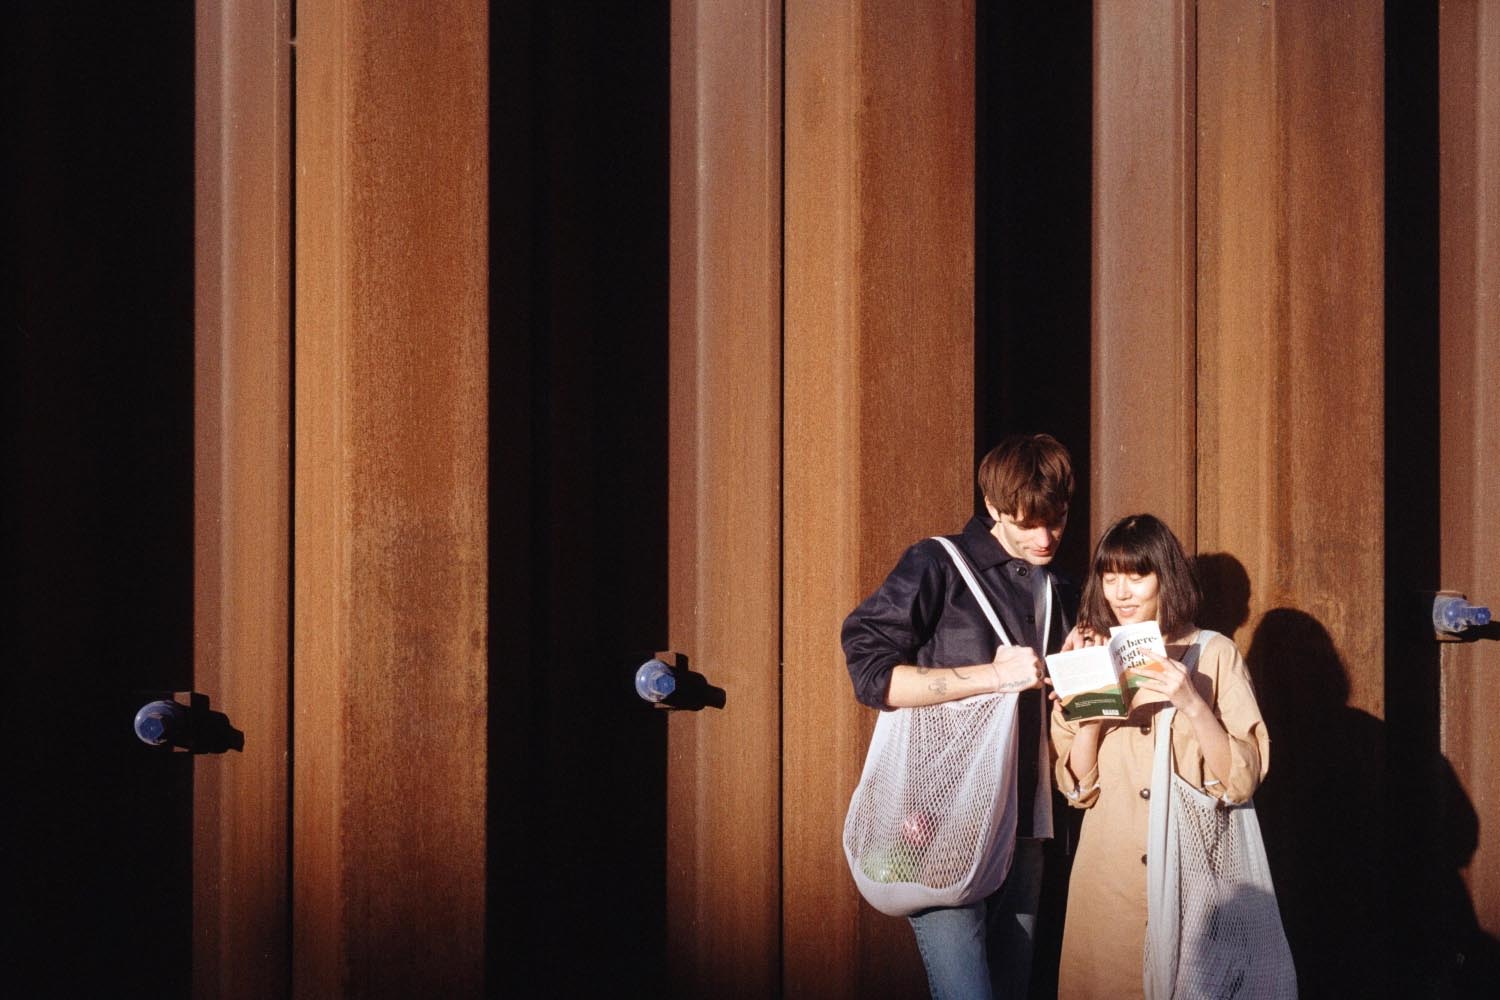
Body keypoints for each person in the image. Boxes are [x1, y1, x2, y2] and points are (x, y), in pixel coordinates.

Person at [842, 433, 1078, 999]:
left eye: (1057, 520)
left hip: (1027, 824)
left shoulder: (1062, 589)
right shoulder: (939, 563)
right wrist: (993, 676)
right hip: (940, 818)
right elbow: (871, 674)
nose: (1045, 537)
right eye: (1027, 523)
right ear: (994, 509)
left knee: (1014, 988)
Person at [1050, 513, 1271, 998]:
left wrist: (1192, 703)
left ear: (1164, 578)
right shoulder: (1087, 653)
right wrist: (1090, 719)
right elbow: (1077, 790)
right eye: (1110, 578)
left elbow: (1242, 779)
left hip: (1192, 882)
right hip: (1107, 885)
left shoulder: (1215, 654)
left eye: (1137, 575)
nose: (1121, 592)